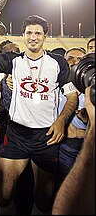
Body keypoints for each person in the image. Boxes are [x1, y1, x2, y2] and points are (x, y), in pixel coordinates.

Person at [0, 14, 78, 215]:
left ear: (45, 36)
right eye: (29, 33)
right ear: (23, 35)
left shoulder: (58, 63)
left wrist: (61, 121)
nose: (33, 37)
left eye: (38, 33)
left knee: (43, 197)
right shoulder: (12, 60)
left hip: (46, 136)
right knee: (3, 192)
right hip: (17, 134)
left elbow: (72, 97)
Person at [52, 85, 95, 215]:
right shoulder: (67, 73)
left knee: (72, 191)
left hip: (75, 147)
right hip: (55, 141)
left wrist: (79, 132)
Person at [57, 47, 87, 187]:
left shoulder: (91, 89)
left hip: (87, 147)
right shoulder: (55, 86)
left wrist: (83, 128)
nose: (75, 62)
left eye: (80, 59)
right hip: (63, 147)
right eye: (70, 58)